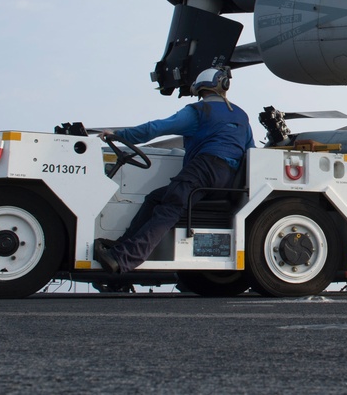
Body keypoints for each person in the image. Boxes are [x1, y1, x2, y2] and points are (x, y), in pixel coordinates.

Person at [93, 67, 255, 274]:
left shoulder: (198, 111)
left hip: (203, 168)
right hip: (227, 181)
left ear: (199, 89)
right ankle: (121, 245)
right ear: (224, 85)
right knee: (155, 198)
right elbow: (251, 153)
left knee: (170, 207)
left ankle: (124, 259)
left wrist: (121, 135)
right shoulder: (242, 116)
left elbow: (156, 128)